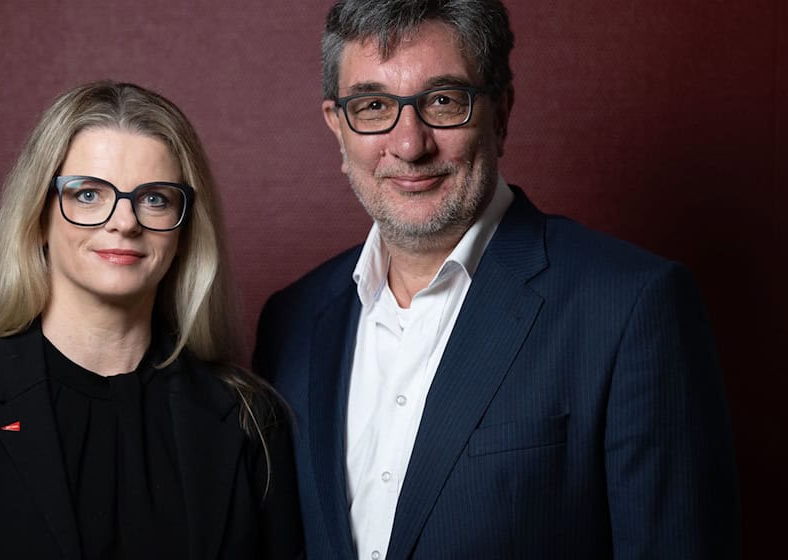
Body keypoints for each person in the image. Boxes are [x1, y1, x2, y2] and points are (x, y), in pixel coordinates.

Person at [253, 1, 741, 558]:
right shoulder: (290, 321)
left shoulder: (631, 307)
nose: (410, 145)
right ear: (338, 128)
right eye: (373, 105)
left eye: (442, 101)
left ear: (501, 112)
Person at [0, 81, 302, 559]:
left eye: (155, 199)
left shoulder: (252, 420)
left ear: (185, 229)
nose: (124, 222)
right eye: (88, 195)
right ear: (40, 215)